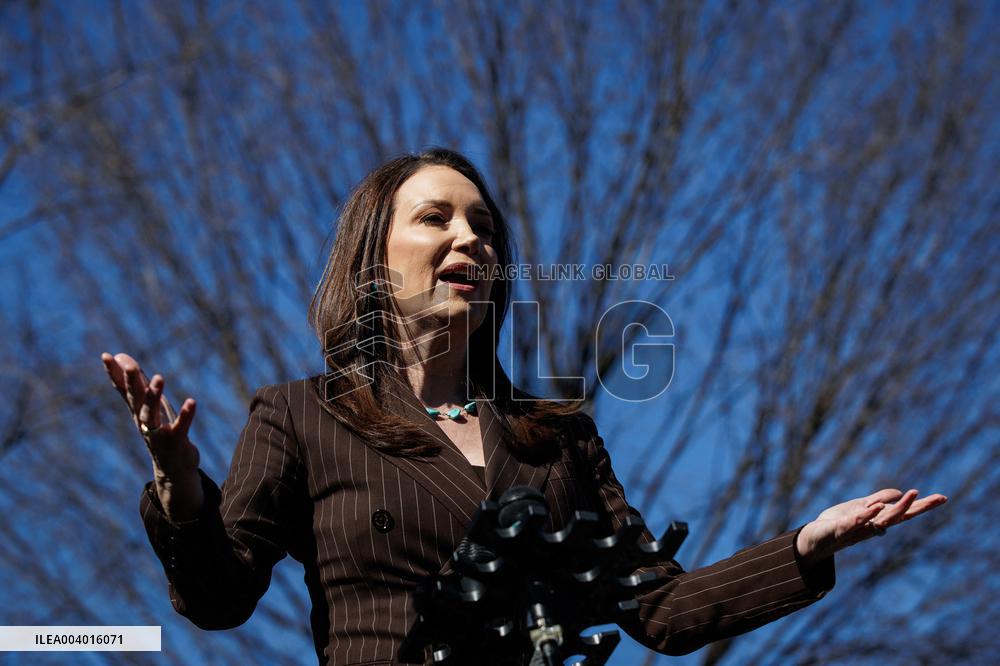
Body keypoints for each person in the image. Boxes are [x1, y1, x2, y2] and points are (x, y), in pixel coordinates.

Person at [101, 148, 947, 665]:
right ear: (373, 256)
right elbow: (218, 598)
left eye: (484, 226)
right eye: (435, 218)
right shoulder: (303, 416)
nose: (471, 238)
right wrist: (177, 477)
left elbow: (659, 609)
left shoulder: (559, 437)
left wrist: (807, 544)